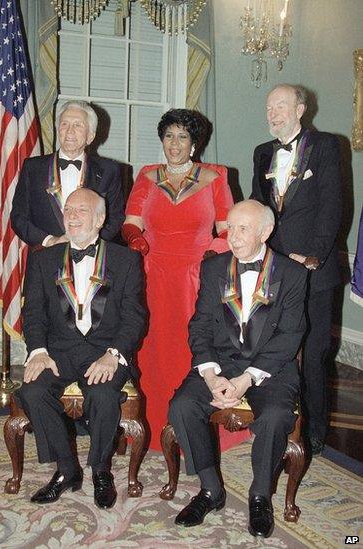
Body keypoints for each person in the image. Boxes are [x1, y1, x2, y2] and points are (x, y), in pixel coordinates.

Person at [168, 200, 307, 538]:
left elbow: (290, 336)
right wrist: (211, 374)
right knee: (181, 406)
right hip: (222, 361)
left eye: (244, 228)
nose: (233, 236)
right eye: (231, 227)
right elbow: (199, 325)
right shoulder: (214, 268)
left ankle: (260, 495)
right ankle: (210, 489)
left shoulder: (292, 274)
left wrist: (246, 379)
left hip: (270, 367)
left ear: (266, 232)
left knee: (275, 416)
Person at [16, 188, 146, 508]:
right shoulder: (43, 260)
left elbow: (134, 318)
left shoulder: (125, 260)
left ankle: (101, 469)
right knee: (32, 390)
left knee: (102, 394)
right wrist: (38, 352)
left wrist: (113, 355)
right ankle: (66, 468)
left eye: (81, 211)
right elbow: (32, 314)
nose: (72, 216)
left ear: (100, 219)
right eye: (68, 210)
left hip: (106, 350)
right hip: (58, 350)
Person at [122, 108, 234, 449]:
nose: (175, 144)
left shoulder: (215, 178)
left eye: (182, 137)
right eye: (169, 136)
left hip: (197, 277)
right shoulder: (147, 176)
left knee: (193, 348)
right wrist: (135, 239)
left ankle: (195, 428)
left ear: (194, 143)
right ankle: (152, 427)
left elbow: (229, 230)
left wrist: (212, 254)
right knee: (153, 351)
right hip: (153, 274)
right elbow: (131, 222)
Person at [251, 84, 342, 455]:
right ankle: (273, 418)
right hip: (275, 270)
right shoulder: (262, 152)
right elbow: (261, 207)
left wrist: (313, 255)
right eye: (269, 107)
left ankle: (315, 428)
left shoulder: (325, 147)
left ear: (301, 109)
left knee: (315, 352)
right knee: (272, 345)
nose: (273, 114)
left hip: (313, 269)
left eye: (281, 106)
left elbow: (332, 206)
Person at [11, 100, 125, 246]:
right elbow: (18, 217)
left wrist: (89, 243)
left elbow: (116, 218)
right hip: (44, 259)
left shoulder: (109, 170)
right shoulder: (32, 168)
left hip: (93, 258)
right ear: (58, 130)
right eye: (64, 124)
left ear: (90, 136)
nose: (70, 131)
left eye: (78, 125)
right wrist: (49, 241)